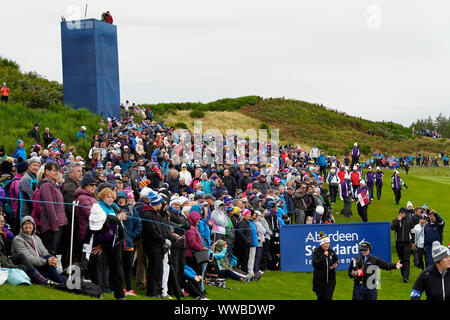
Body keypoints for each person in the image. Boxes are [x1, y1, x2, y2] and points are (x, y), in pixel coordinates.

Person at [83, 188, 126, 300]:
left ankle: (120, 294)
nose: (110, 199)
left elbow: (120, 236)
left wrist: (104, 246)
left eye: (112, 197)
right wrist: (85, 250)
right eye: (108, 197)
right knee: (95, 264)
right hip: (98, 241)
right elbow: (88, 234)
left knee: (116, 267)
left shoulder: (113, 216)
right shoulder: (96, 212)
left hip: (114, 242)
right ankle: (97, 291)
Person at [11, 216, 67, 283]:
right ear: (21, 226)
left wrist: (51, 260)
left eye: (30, 223)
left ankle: (63, 281)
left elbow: (44, 251)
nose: (27, 225)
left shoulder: (36, 238)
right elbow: (27, 258)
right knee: (51, 274)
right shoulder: (18, 239)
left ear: (33, 226)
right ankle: (60, 281)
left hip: (40, 265)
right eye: (25, 224)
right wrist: (46, 261)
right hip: (29, 266)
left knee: (49, 262)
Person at [141, 190, 169, 298]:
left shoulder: (155, 214)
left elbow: (159, 229)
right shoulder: (148, 214)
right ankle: (152, 292)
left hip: (158, 245)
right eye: (160, 202)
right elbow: (152, 231)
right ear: (156, 203)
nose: (162, 204)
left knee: (158, 269)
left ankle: (157, 290)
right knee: (153, 269)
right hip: (152, 245)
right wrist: (163, 240)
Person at [115, 191, 141, 297]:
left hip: (129, 243)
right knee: (118, 266)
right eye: (119, 198)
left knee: (128, 267)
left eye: (123, 198)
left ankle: (130, 288)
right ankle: (120, 288)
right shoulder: (114, 208)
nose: (121, 200)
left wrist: (132, 236)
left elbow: (138, 225)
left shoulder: (132, 210)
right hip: (117, 243)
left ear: (126, 199)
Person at [39, 162, 67, 256]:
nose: (56, 173)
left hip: (58, 223)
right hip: (52, 225)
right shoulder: (47, 185)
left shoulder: (54, 185)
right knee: (50, 252)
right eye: (54, 170)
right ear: (46, 171)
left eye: (58, 171)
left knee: (54, 251)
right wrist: (54, 225)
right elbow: (49, 207)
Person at [391, 207, 415, 283]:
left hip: (407, 243)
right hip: (398, 243)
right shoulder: (395, 220)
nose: (402, 214)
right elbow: (392, 228)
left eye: (403, 213)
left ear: (406, 213)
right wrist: (398, 221)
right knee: (401, 259)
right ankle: (403, 274)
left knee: (406, 259)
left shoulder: (409, 220)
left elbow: (412, 231)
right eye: (401, 213)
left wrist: (413, 242)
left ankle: (406, 277)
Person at [312, 232, 338, 300]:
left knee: (328, 298)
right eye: (326, 243)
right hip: (319, 281)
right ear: (321, 244)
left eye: (329, 243)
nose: (327, 245)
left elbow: (336, 259)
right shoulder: (316, 252)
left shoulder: (331, 251)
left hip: (330, 281)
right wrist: (323, 256)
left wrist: (335, 265)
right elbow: (315, 264)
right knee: (320, 298)